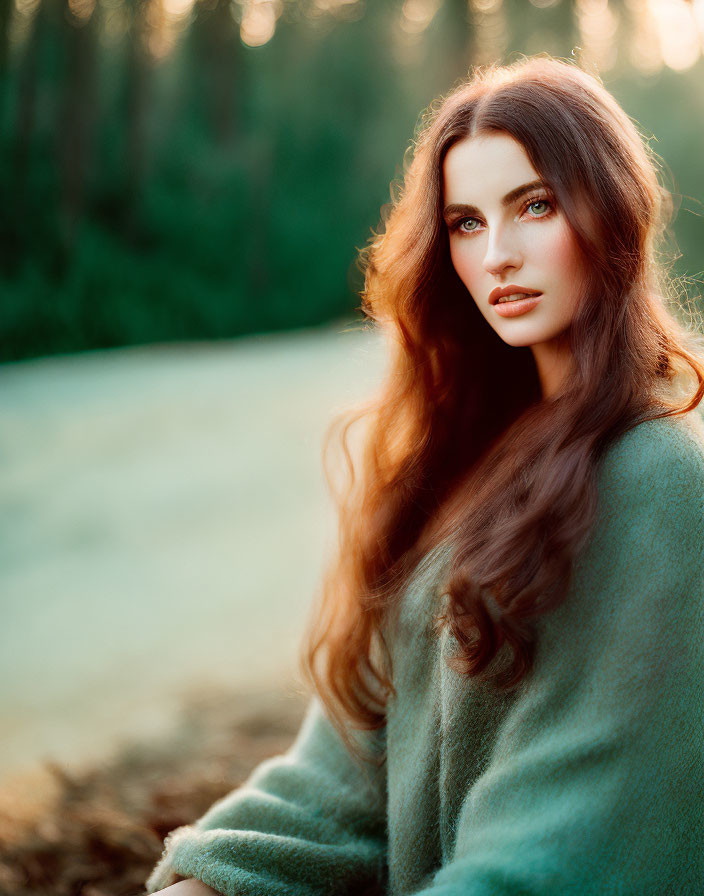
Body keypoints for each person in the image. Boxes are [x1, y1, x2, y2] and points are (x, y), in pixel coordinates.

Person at [144, 53, 704, 896]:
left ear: (613, 212)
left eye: (535, 206)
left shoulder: (657, 480)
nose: (499, 255)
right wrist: (210, 879)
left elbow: (561, 844)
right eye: (466, 223)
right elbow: (345, 770)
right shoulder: (464, 462)